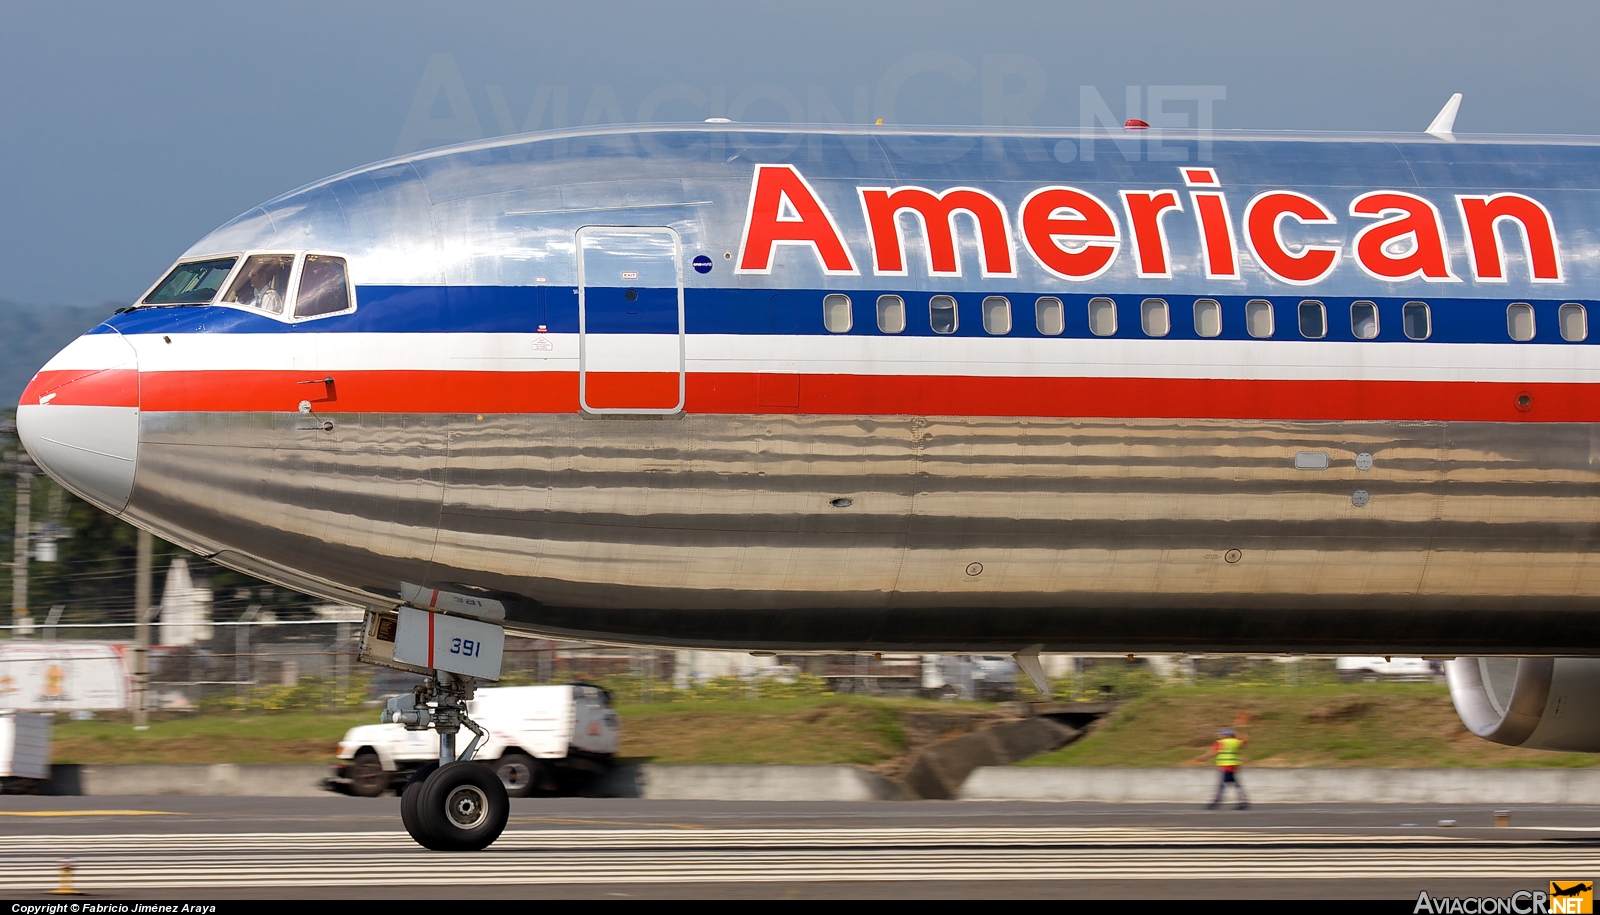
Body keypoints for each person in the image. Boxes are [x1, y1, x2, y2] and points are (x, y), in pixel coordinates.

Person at [1190, 726, 1249, 809]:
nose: (1220, 735)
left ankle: (1215, 803)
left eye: (1222, 734)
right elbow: (1244, 742)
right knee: (1235, 785)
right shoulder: (1236, 742)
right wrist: (1242, 734)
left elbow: (1212, 752)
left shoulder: (1221, 743)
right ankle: (1243, 802)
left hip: (1225, 766)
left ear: (1227, 735)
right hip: (1234, 766)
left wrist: (1201, 758)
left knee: (1222, 785)